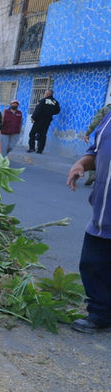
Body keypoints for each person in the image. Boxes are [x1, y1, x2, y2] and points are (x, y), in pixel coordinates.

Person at [66, 107, 111, 334]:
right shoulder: (109, 116)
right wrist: (81, 164)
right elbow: (96, 150)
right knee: (92, 264)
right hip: (103, 212)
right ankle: (100, 314)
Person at [83, 103, 111, 185]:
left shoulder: (106, 109)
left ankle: (93, 175)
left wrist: (87, 133)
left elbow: (95, 121)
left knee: (96, 153)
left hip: (105, 138)